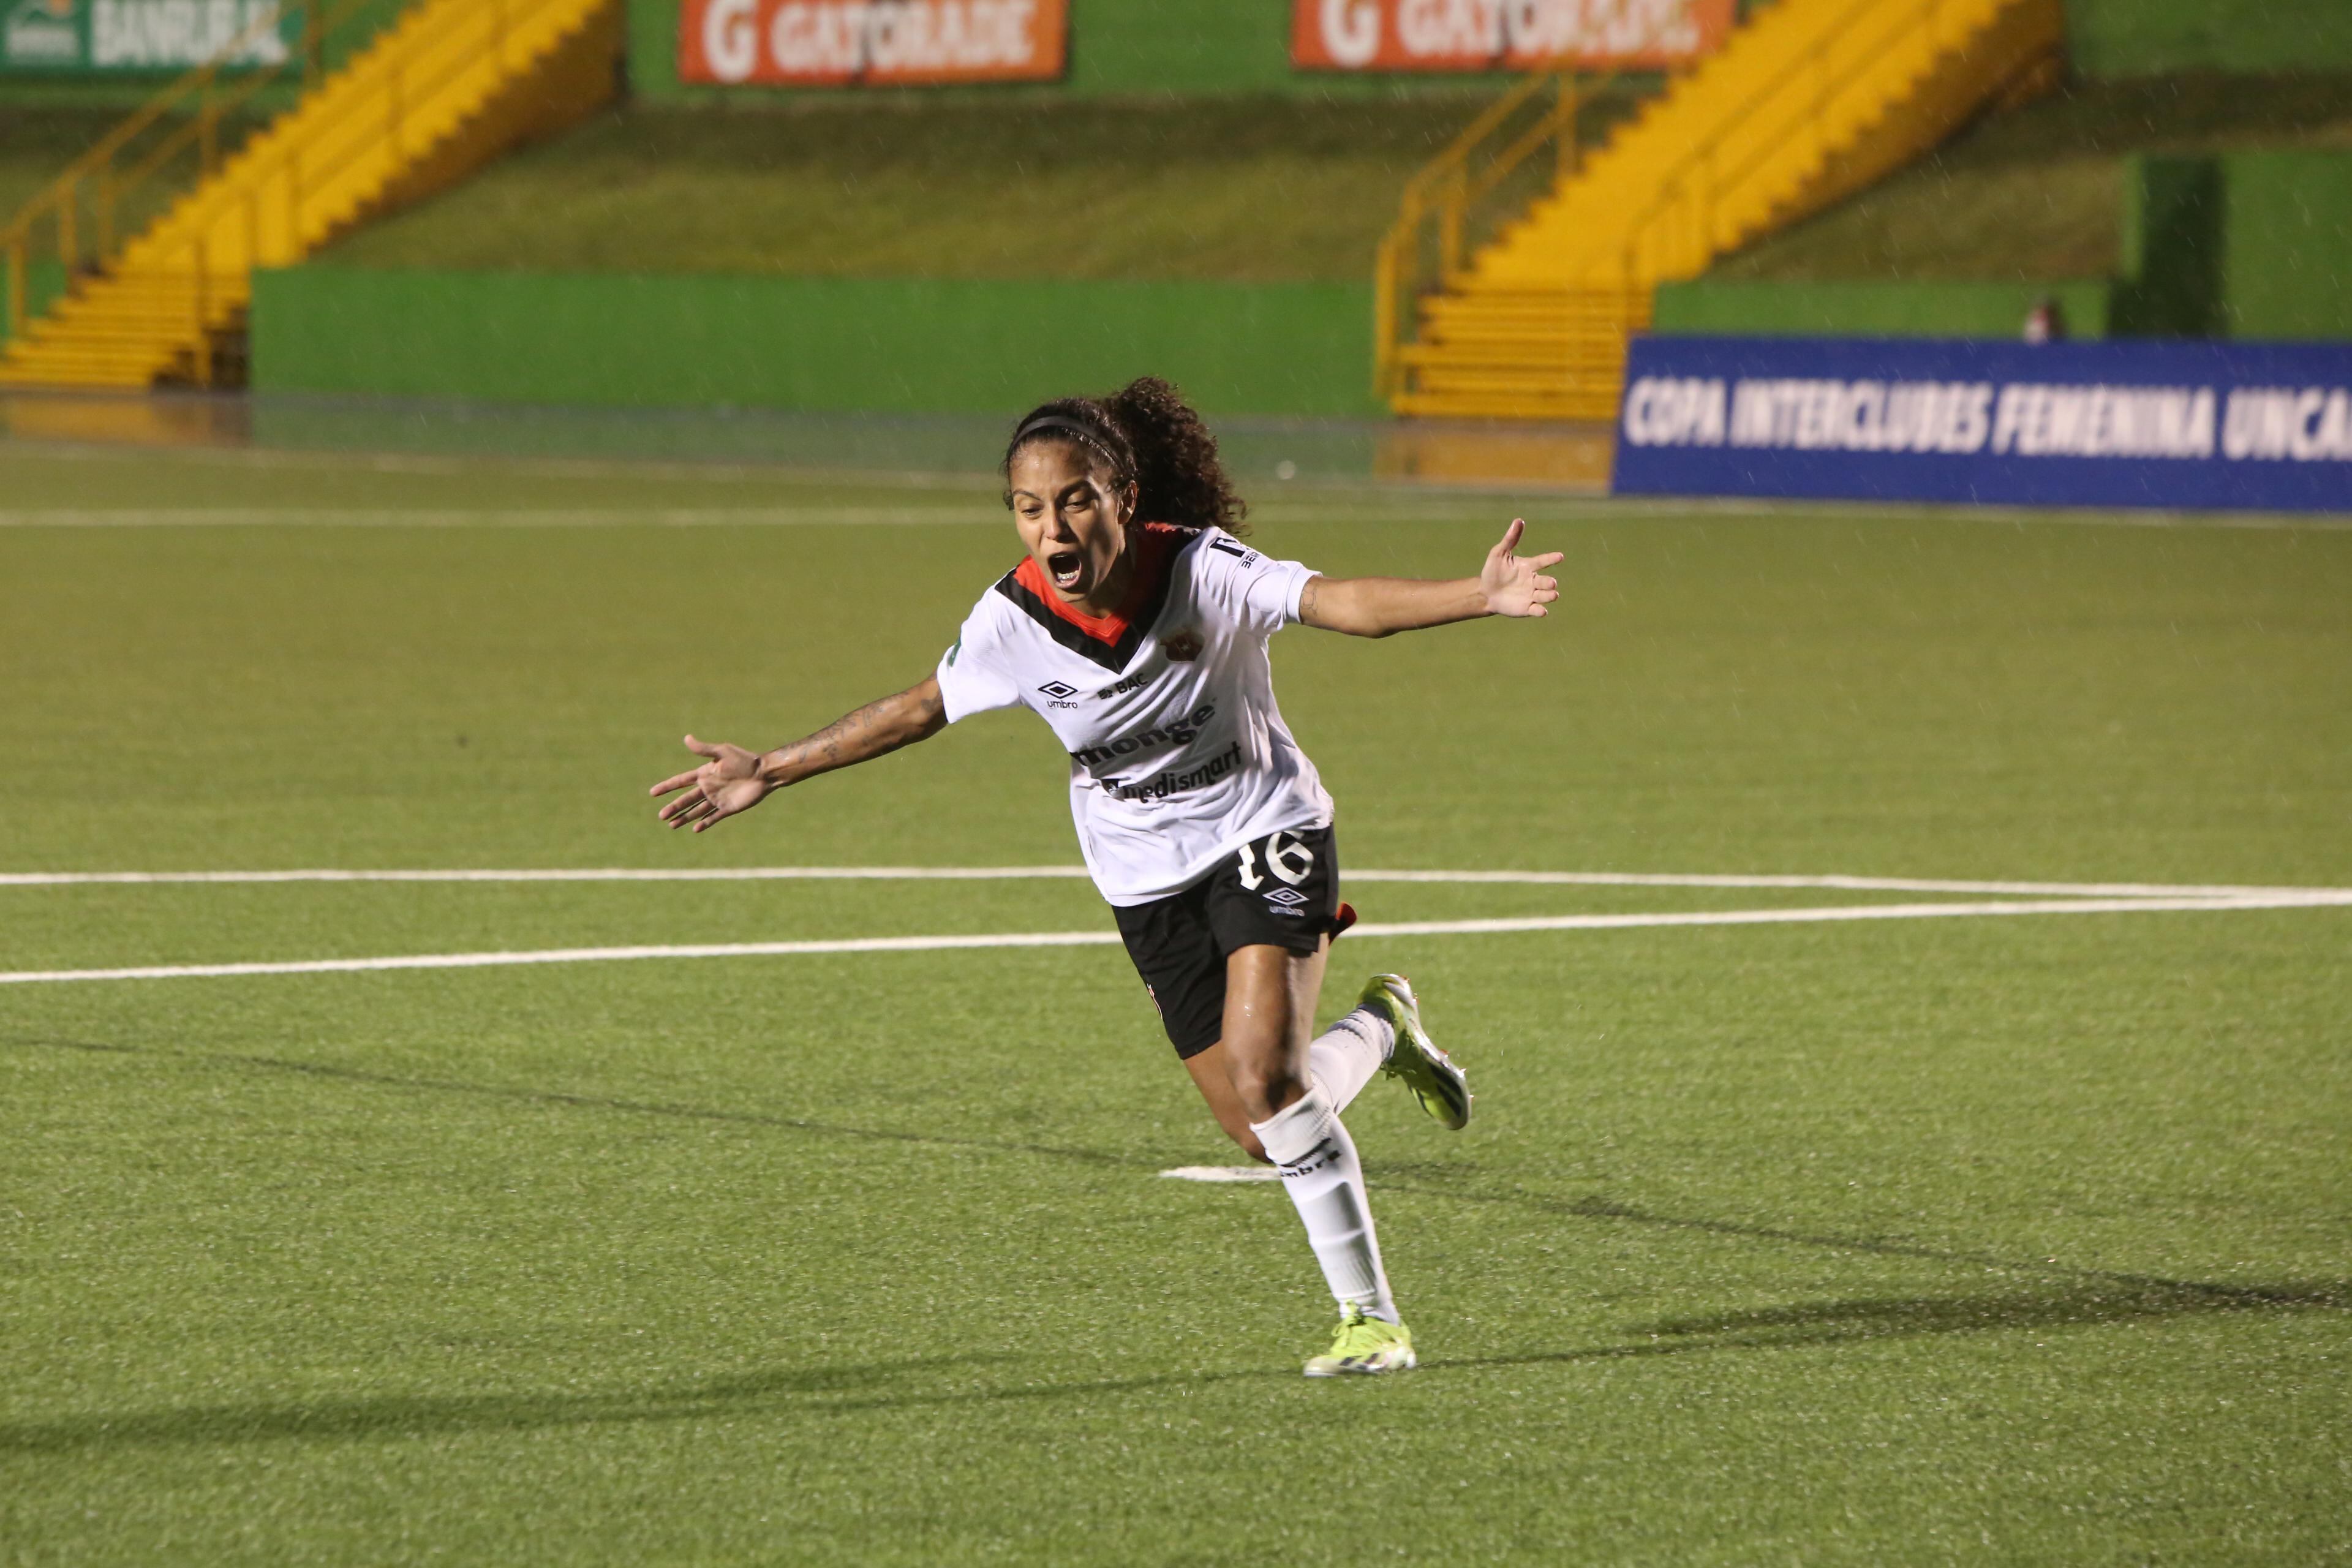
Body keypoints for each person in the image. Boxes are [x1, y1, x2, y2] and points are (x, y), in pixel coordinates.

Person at [649, 378, 1561, 1376]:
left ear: (1123, 496)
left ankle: (1371, 1321)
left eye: (1075, 499)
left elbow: (1334, 602)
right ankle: (1383, 1023)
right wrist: (770, 770)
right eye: (1031, 509)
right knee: (1265, 1132)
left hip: (1265, 826)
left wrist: (1481, 594)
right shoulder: (1011, 621)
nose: (1054, 526)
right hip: (1143, 875)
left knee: (1268, 1077)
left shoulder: (1202, 568)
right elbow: (919, 708)